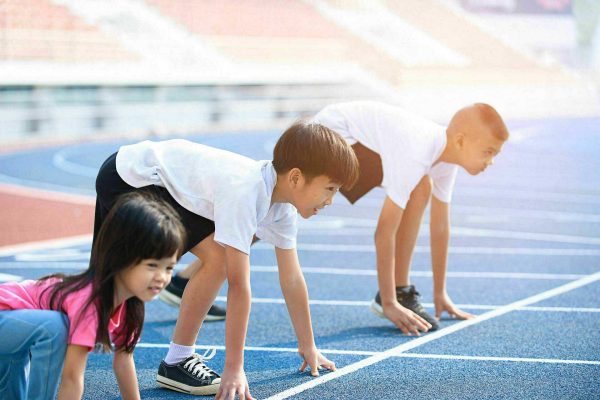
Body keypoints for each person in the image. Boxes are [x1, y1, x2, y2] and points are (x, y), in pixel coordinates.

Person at [93, 122, 360, 398]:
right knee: (209, 260)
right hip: (131, 176)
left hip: (155, 179)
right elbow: (238, 285)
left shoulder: (282, 209)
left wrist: (308, 345)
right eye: (329, 188)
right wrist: (234, 368)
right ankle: (176, 360)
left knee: (110, 279)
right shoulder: (245, 191)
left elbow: (292, 278)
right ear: (295, 178)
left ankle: (174, 360)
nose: (330, 200)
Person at [312, 101, 509, 335]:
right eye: (487, 152)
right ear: (459, 141)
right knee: (421, 185)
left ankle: (400, 291)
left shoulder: (446, 160)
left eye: (495, 154)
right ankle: (396, 294)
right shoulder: (417, 154)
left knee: (421, 186)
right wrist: (388, 304)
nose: (491, 161)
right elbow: (384, 232)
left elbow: (440, 228)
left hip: (352, 137)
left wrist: (440, 293)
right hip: (330, 135)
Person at [0, 192, 186, 399]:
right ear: (120, 257)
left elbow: (124, 361)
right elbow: (72, 378)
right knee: (55, 327)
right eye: (152, 265)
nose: (162, 277)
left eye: (169, 267)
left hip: (13, 344)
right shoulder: (90, 303)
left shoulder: (130, 306)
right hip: (5, 320)